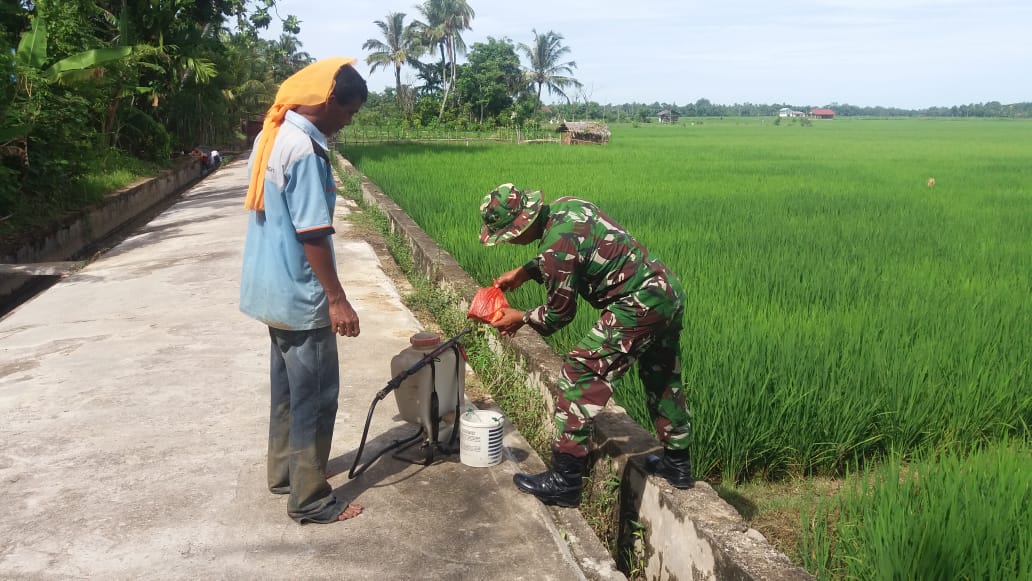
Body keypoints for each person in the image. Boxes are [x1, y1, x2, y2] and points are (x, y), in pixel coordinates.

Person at [480, 184, 693, 508]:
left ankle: (565, 481)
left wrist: (520, 316)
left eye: (508, 235)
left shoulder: (554, 250)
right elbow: (571, 250)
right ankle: (678, 465)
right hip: (666, 292)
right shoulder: (567, 207)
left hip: (637, 305)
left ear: (521, 226)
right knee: (662, 378)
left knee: (579, 373)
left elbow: (558, 315)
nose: (508, 241)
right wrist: (525, 272)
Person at [240, 58, 368, 524]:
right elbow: (313, 231)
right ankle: (311, 498)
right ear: (330, 101)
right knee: (315, 394)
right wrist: (337, 298)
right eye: (348, 113)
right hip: (300, 295)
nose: (346, 123)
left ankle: (283, 475)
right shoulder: (306, 150)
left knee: (286, 392)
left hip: (268, 290)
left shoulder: (269, 135)